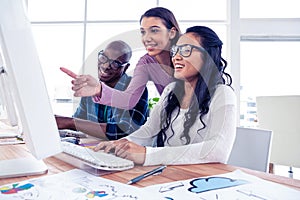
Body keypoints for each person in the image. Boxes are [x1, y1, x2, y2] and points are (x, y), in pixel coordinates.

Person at [93, 26, 237, 166]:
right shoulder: (171, 90)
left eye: (186, 50)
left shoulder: (222, 94)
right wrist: (121, 144)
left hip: (201, 179)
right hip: (169, 174)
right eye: (175, 51)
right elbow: (150, 130)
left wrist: (147, 154)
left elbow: (219, 151)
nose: (176, 57)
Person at [60, 7, 181, 110]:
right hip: (180, 123)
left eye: (154, 30)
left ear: (172, 33)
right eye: (143, 32)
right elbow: (129, 100)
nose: (147, 38)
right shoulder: (146, 63)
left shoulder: (189, 53)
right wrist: (98, 89)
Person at [56, 40, 148, 140]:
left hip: (121, 154)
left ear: (125, 68)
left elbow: (125, 131)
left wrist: (70, 122)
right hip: (94, 150)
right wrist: (57, 123)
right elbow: (79, 123)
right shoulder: (91, 88)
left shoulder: (135, 89)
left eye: (116, 63)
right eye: (103, 58)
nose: (106, 66)